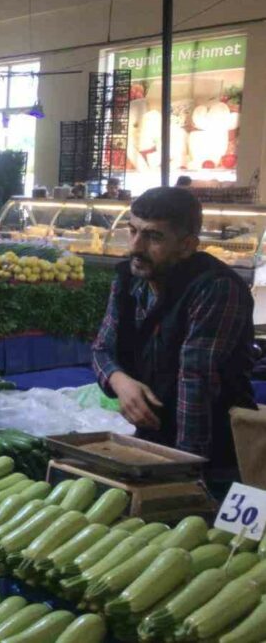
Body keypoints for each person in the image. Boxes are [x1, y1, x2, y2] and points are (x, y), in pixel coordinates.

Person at [92, 187, 255, 492]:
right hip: (153, 443)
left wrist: (185, 475)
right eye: (133, 231)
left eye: (154, 237)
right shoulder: (129, 280)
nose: (136, 247)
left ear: (187, 245)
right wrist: (119, 381)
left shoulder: (215, 290)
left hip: (216, 455)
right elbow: (102, 348)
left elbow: (196, 383)